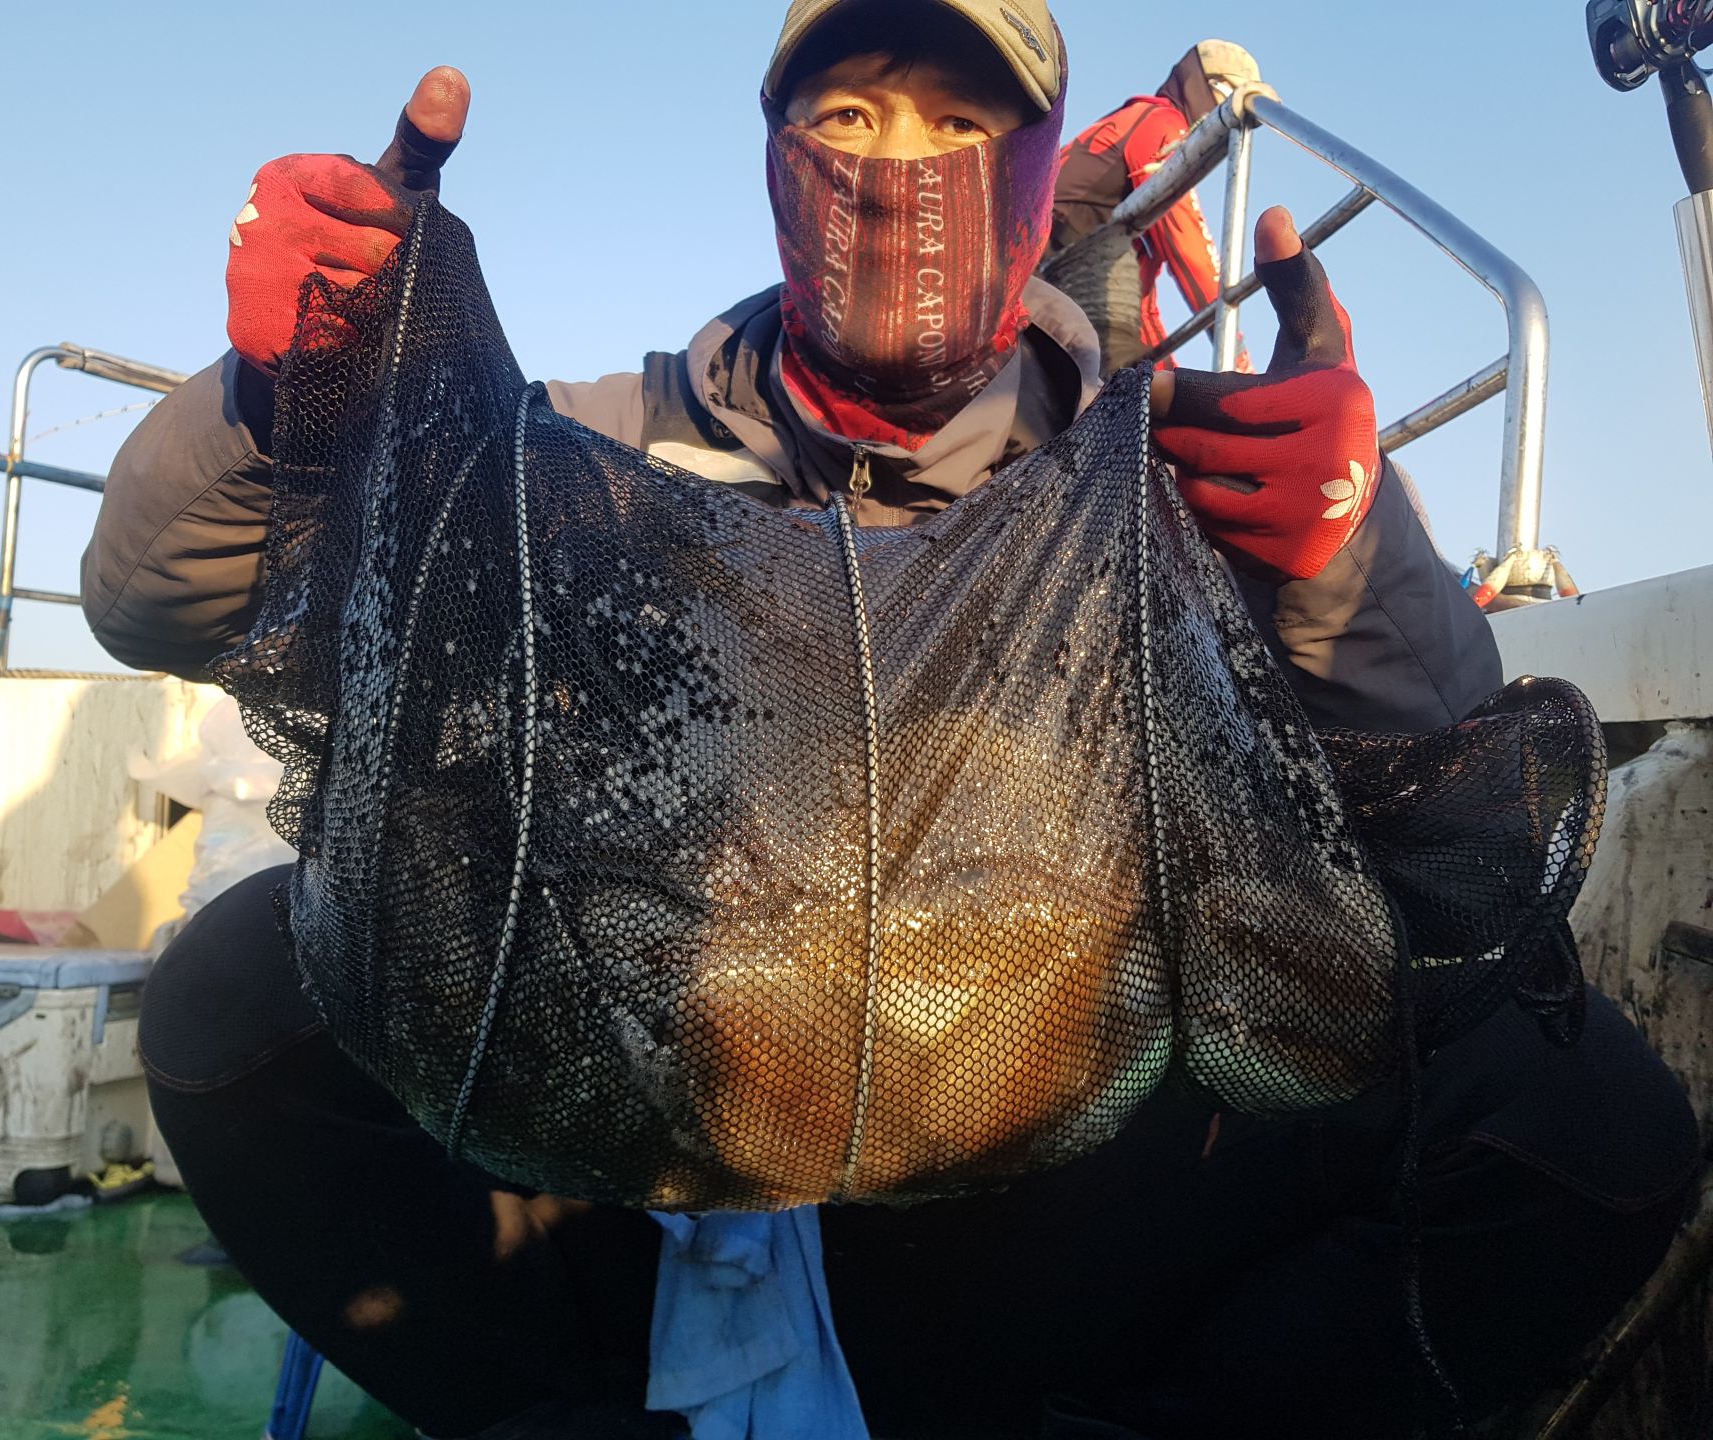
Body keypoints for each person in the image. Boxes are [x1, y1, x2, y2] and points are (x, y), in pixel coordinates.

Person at [88, 3, 1701, 1437]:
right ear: (780, 153)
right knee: (236, 996)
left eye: (958, 121)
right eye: (848, 114)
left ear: (1037, 171)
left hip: (1049, 1151)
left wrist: (1353, 560)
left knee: (1578, 1118)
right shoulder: (580, 457)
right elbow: (160, 600)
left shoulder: (1172, 465)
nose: (895, 167)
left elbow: (1448, 828)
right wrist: (283, 399)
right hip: (643, 1133)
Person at [1043, 40, 1262, 375]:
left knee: (1149, 384)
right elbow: (1188, 246)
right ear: (1199, 83)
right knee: (1130, 387)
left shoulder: (1145, 135)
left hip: (1072, 272)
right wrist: (1238, 356)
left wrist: (1168, 374)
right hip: (1048, 262)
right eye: (1227, 92)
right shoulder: (1161, 124)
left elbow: (1139, 303)